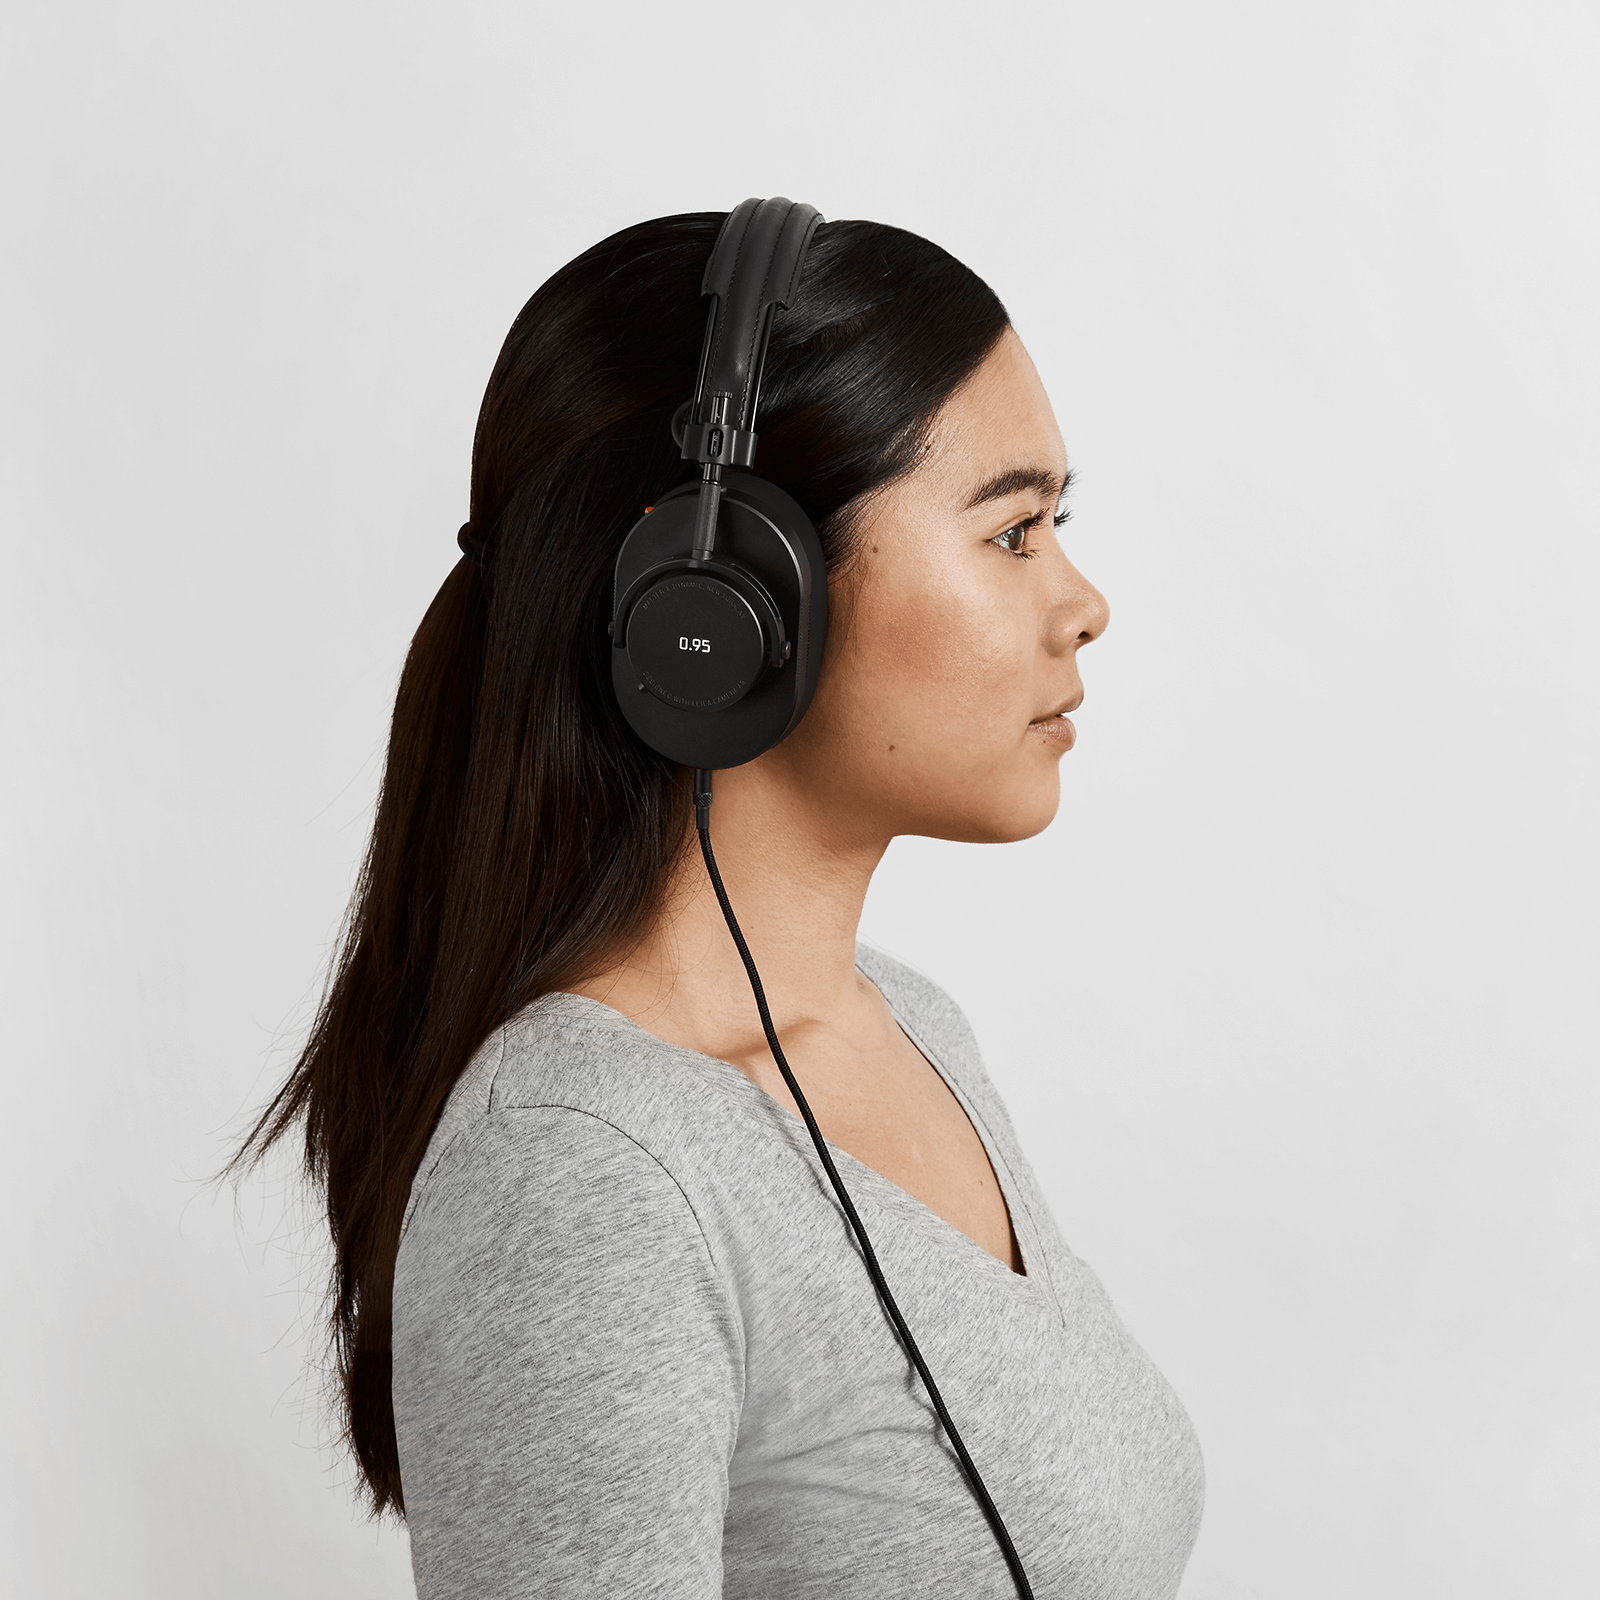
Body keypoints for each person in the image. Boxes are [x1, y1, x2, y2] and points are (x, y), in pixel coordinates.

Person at [233, 208, 1204, 1597]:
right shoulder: (584, 1171)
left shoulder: (910, 1030)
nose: (1085, 600)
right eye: (1014, 531)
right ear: (732, 597)